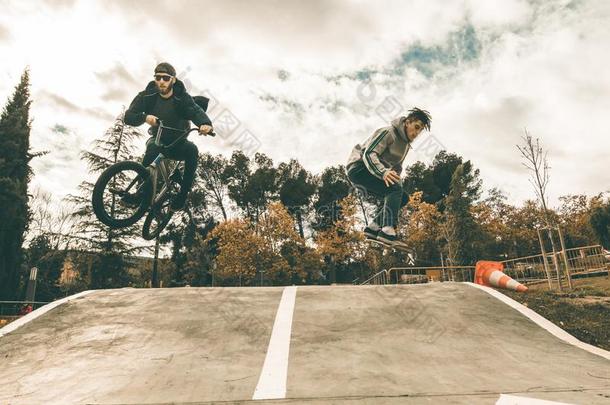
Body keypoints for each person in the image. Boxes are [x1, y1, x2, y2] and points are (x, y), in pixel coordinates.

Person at [124, 62, 214, 210]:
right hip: (158, 139)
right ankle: (140, 194)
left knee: (192, 150)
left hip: (178, 143)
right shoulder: (147, 95)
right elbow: (128, 116)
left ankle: (182, 195)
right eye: (158, 78)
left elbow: (195, 110)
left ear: (173, 79)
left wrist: (205, 124)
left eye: (165, 78)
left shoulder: (182, 97)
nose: (161, 82)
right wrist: (144, 118)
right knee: (152, 148)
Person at [346, 107, 432, 248]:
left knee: (402, 197)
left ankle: (373, 227)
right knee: (394, 190)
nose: (416, 133)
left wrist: (396, 182)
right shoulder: (388, 132)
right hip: (358, 167)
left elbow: (397, 169)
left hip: (373, 172)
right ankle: (387, 231)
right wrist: (383, 173)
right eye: (415, 127)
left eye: (419, 131)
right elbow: (369, 154)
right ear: (407, 122)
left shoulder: (405, 146)